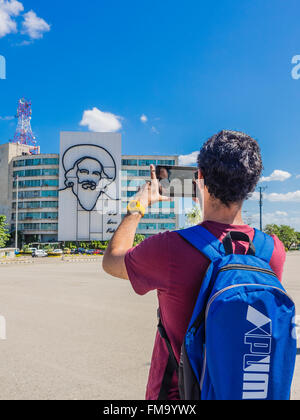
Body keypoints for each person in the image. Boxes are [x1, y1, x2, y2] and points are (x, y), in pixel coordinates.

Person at [102, 130, 286, 400]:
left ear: (199, 177)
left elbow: (112, 260)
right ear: (252, 184)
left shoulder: (170, 247)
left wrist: (138, 206)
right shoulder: (273, 250)